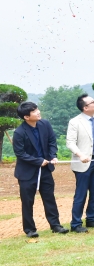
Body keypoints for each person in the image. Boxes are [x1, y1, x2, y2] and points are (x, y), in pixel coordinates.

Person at [12, 101, 68, 237]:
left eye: (37, 109)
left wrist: (53, 156)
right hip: (27, 173)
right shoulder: (19, 132)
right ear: (26, 117)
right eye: (34, 111)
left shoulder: (45, 124)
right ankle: (30, 230)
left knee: (49, 198)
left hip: (45, 170)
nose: (38, 112)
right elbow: (20, 153)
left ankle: (55, 225)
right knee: (27, 201)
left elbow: (52, 142)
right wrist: (38, 161)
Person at [65, 94, 94, 233]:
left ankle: (91, 219)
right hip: (83, 163)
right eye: (93, 102)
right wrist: (80, 155)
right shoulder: (75, 122)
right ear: (85, 107)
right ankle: (76, 224)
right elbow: (70, 143)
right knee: (81, 194)